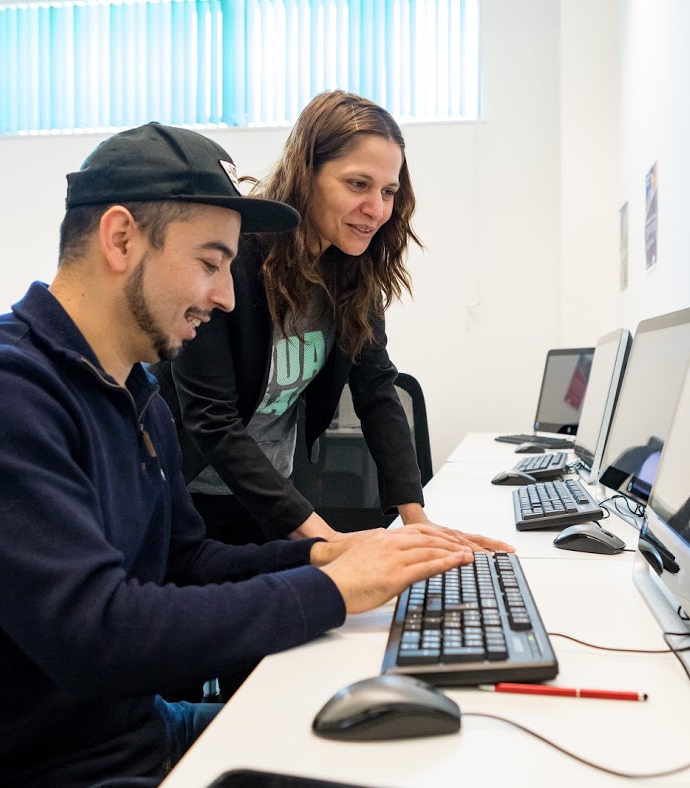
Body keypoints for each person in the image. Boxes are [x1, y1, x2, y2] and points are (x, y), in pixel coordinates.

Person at [0, 122, 478, 787]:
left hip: (129, 737)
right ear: (121, 238)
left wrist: (325, 554)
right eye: (210, 262)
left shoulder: (136, 393)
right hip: (26, 770)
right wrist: (329, 590)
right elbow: (100, 637)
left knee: (413, 755)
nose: (228, 296)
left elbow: (183, 561)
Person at [157, 90, 502, 549]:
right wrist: (326, 538)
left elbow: (377, 390)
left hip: (276, 496)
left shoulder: (350, 276)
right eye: (358, 185)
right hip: (190, 495)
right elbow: (211, 417)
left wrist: (415, 519)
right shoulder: (234, 259)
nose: (377, 209)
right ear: (306, 174)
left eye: (388, 191)